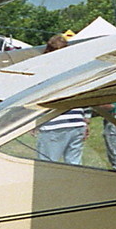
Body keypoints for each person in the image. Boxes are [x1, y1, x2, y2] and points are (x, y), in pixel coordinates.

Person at [34, 34, 89, 165]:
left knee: (48, 167)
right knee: (75, 166)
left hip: (53, 124)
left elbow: (37, 97)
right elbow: (85, 96)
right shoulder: (77, 70)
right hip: (77, 123)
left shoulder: (43, 71)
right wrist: (86, 120)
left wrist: (34, 121)